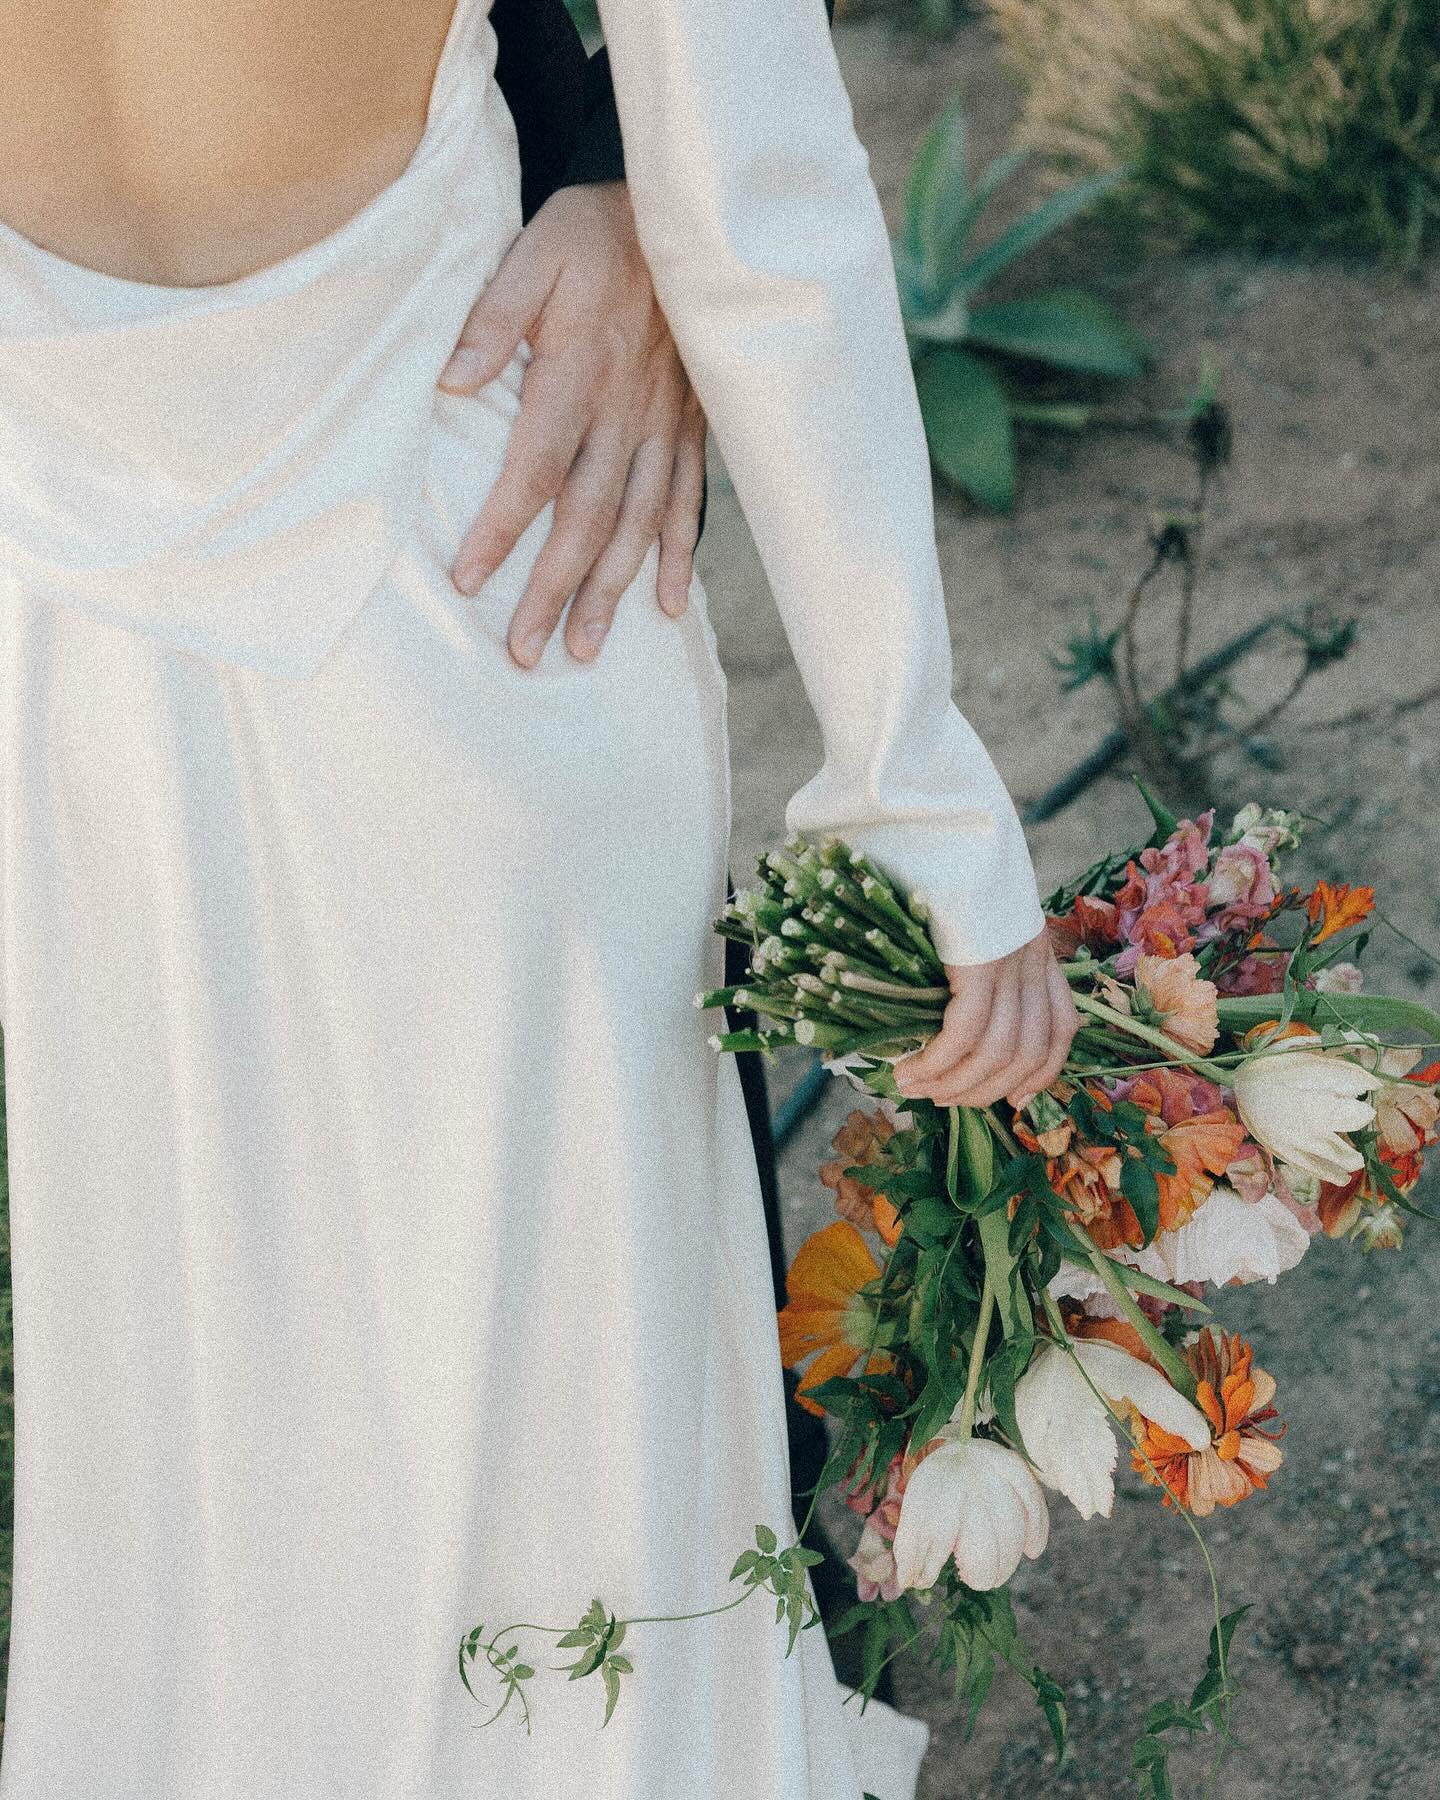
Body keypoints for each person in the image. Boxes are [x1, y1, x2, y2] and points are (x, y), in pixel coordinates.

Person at [0, 5, 1080, 1799]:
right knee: (576, 1421)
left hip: (73, 640)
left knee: (205, 1407)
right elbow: (769, 208)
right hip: (487, 567)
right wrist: (913, 794)